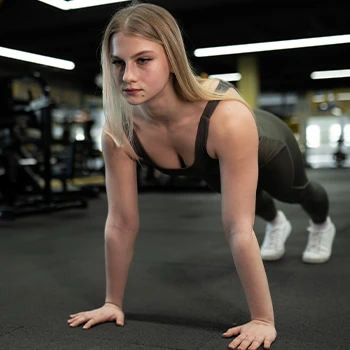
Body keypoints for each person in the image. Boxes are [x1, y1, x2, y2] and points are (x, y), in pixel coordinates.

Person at [67, 2, 336, 349]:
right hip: (209, 158)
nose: (127, 76)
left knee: (295, 190)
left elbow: (238, 229)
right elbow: (120, 222)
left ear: (172, 59)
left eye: (143, 60)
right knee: (248, 202)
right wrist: (112, 303)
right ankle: (277, 224)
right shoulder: (119, 131)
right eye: (118, 62)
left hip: (265, 143)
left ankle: (321, 225)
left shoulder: (226, 118)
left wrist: (262, 320)